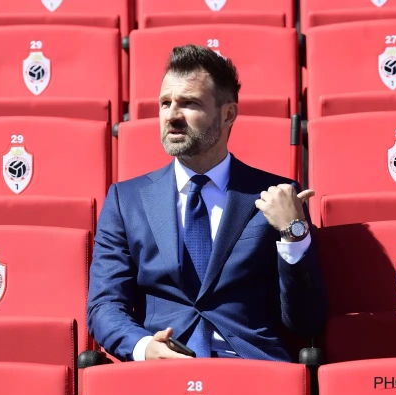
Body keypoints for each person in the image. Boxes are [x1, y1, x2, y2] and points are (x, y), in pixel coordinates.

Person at [87, 44, 328, 362]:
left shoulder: (276, 197)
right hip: (161, 372)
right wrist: (144, 347)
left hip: (251, 369)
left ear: (228, 114)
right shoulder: (126, 200)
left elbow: (306, 320)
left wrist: (294, 234)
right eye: (165, 103)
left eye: (189, 103)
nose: (172, 115)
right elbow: (104, 305)